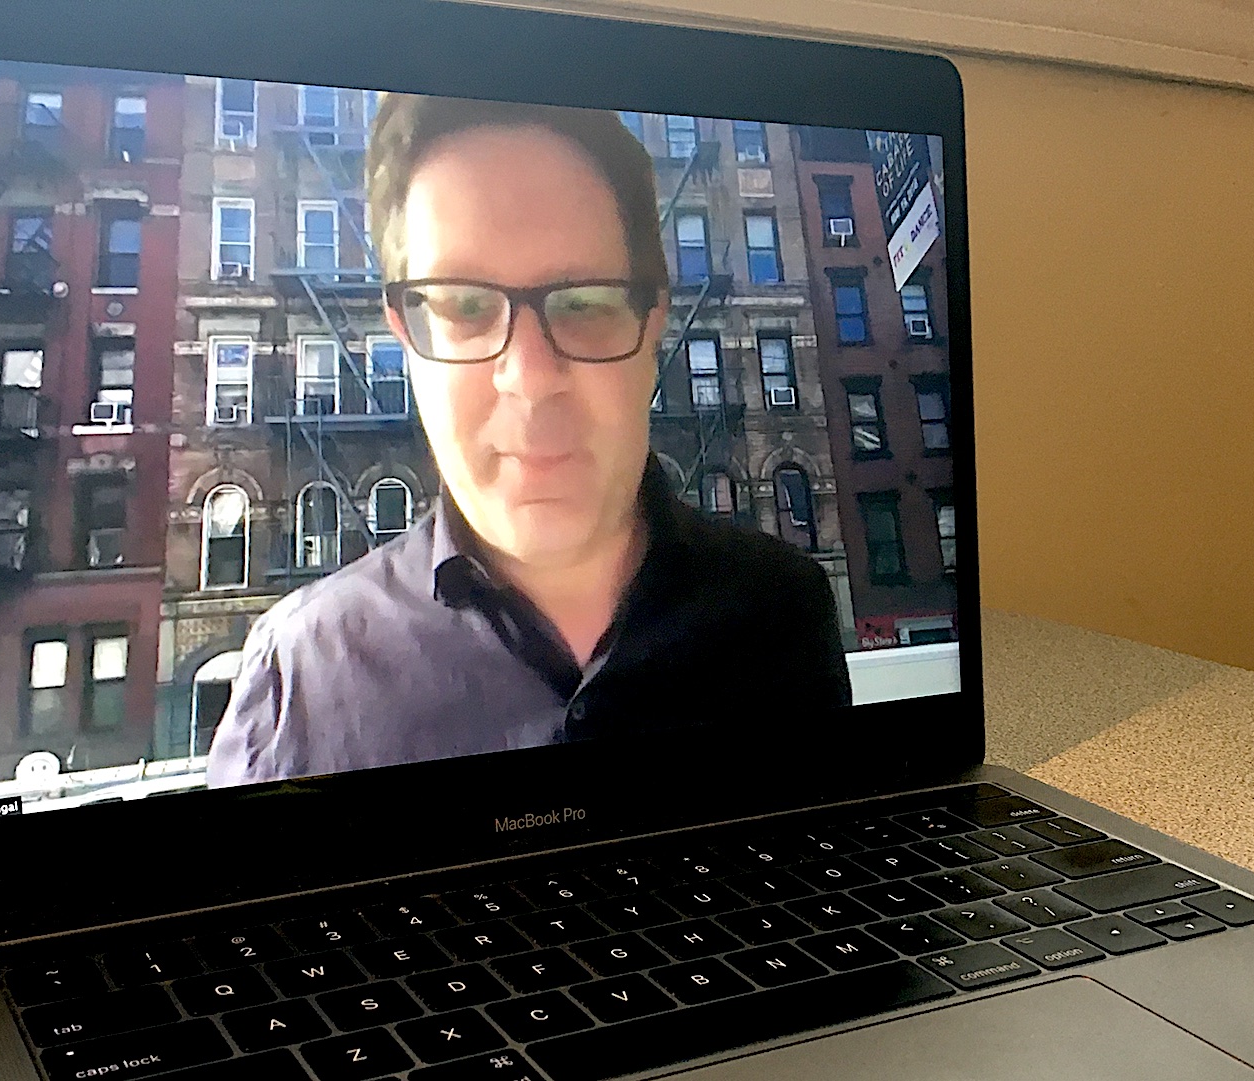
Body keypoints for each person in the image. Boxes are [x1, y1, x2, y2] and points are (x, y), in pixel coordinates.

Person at [205, 95, 850, 787]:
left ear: (654, 321)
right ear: (404, 336)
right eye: (465, 306)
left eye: (584, 304)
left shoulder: (784, 613)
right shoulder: (294, 684)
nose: (531, 378)